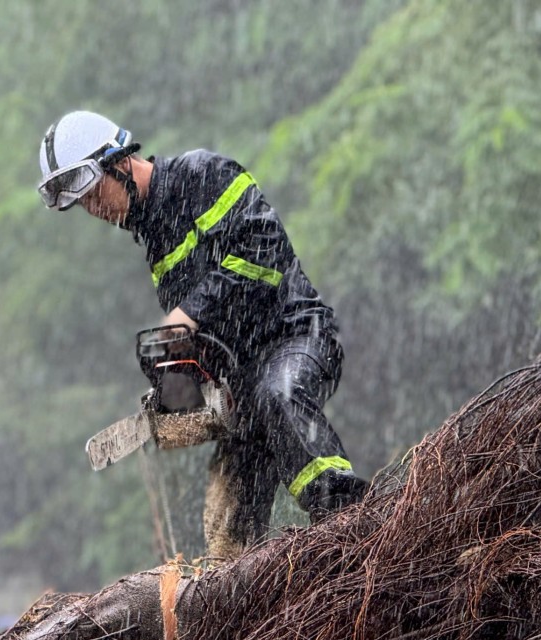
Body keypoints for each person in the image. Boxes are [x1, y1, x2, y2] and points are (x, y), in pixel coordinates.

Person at [37, 110, 367, 558]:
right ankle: (253, 597)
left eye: (95, 194)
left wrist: (190, 313)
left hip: (297, 336)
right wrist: (185, 385)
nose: (96, 210)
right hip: (243, 380)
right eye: (85, 206)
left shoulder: (205, 175)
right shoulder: (154, 236)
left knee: (279, 395)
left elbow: (263, 253)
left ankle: (351, 525)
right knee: (227, 533)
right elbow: (204, 334)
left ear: (119, 163)